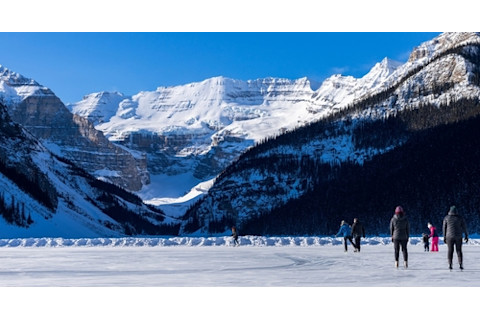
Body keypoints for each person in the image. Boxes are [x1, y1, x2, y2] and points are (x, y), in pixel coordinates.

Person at [442, 206, 468, 270]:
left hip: (449, 237)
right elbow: (464, 227)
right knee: (459, 250)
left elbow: (444, 228)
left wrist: (444, 236)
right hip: (458, 236)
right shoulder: (460, 218)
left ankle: (450, 265)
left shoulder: (446, 218)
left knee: (450, 250)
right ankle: (460, 264)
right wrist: (466, 235)